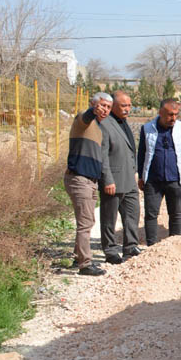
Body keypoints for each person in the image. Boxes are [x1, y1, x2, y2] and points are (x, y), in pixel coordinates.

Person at [137, 98, 181, 245]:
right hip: (153, 180)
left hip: (175, 179)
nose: (173, 118)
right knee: (151, 214)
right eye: (170, 114)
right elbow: (142, 153)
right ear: (160, 112)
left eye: (176, 114)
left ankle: (173, 245)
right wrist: (140, 175)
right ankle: (151, 246)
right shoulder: (147, 128)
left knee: (175, 214)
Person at [64, 92, 112, 275]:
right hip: (79, 178)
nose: (104, 110)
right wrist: (92, 111)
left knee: (88, 220)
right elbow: (86, 117)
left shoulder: (99, 129)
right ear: (93, 104)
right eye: (101, 105)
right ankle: (85, 264)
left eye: (108, 107)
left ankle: (79, 257)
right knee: (85, 223)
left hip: (90, 180)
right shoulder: (82, 121)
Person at [99, 90, 141, 264]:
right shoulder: (104, 124)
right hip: (113, 180)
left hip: (129, 178)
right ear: (113, 106)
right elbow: (102, 155)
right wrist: (107, 179)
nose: (127, 109)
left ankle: (130, 247)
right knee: (109, 217)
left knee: (132, 213)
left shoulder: (124, 122)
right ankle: (110, 250)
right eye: (123, 105)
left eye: (129, 105)